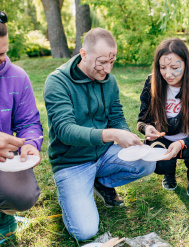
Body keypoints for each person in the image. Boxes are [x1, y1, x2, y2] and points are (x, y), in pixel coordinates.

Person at [43, 28, 156, 241]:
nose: (107, 68)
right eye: (102, 62)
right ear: (83, 54)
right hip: (71, 162)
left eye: (112, 62)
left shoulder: (109, 80)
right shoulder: (57, 82)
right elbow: (65, 131)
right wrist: (110, 134)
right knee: (85, 231)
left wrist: (127, 136)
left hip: (103, 155)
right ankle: (71, 192)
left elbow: (116, 115)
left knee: (147, 162)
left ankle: (100, 183)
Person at [137, 38, 189, 198]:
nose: (167, 74)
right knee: (158, 164)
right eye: (163, 67)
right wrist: (146, 128)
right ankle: (168, 172)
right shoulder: (151, 82)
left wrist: (181, 143)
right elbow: (141, 120)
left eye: (174, 67)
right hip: (163, 138)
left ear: (186, 64)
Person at [0, 10, 42, 238]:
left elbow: (29, 122)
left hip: (3, 161)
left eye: (3, 52)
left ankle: (3, 216)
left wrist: (31, 143)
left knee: (23, 194)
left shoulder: (18, 76)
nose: (2, 60)